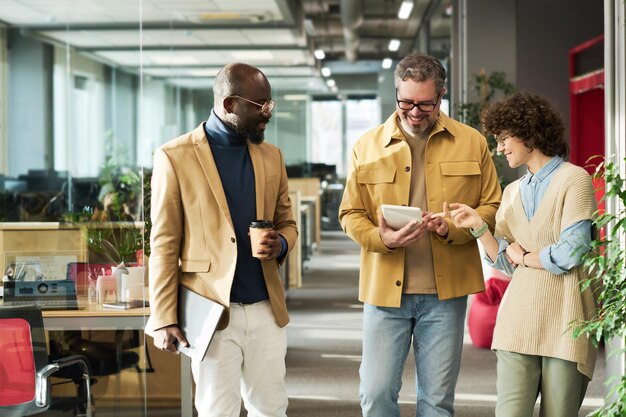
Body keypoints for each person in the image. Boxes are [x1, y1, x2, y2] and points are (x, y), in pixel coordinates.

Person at [338, 53, 501, 417]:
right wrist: (383, 240)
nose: (415, 111)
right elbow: (350, 214)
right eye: (407, 102)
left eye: (425, 104)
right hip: (384, 293)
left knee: (437, 402)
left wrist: (454, 228)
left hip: (447, 296)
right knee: (376, 394)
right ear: (396, 93)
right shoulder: (366, 146)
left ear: (440, 96)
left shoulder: (472, 142)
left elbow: (492, 205)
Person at [145, 63, 298, 417]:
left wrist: (283, 243)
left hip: (266, 308)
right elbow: (165, 243)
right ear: (230, 104)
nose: (268, 113)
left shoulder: (271, 156)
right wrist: (164, 316)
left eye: (270, 104)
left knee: (272, 409)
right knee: (218, 411)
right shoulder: (174, 157)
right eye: (260, 105)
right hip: (211, 310)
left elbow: (287, 222)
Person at [435, 92, 598, 417]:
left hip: (565, 321)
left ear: (528, 134)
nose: (500, 148)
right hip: (517, 320)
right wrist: (479, 227)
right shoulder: (512, 192)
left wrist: (525, 258)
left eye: (504, 138)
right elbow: (504, 262)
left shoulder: (575, 180)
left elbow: (573, 252)